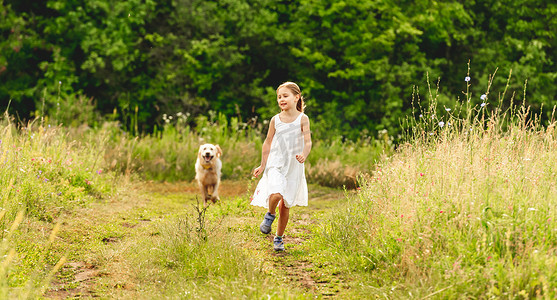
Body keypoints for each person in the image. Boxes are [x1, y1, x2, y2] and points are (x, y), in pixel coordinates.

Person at [251, 81, 312, 251]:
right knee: (276, 194)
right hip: (276, 162)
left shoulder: (303, 119)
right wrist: (263, 165)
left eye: (285, 96)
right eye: (279, 97)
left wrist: (304, 155)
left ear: (296, 97)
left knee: (285, 204)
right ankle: (270, 215)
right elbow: (267, 142)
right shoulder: (275, 120)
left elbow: (308, 142)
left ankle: (278, 238)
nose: (281, 99)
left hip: (294, 166)